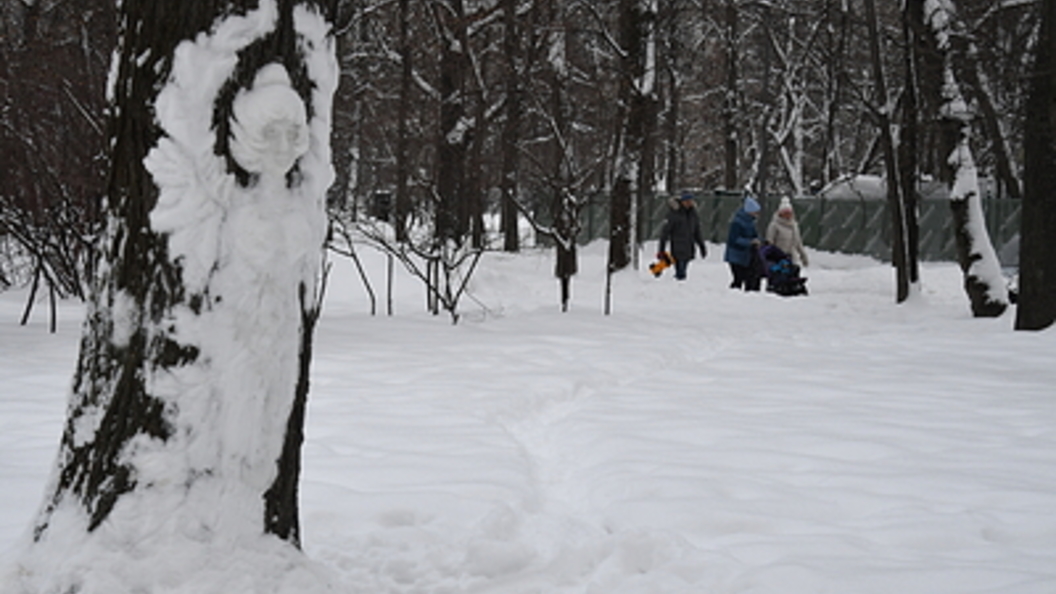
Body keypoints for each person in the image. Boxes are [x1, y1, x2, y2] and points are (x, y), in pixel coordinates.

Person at [657, 192, 708, 280]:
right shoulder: (674, 214)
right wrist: (661, 249)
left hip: (689, 246)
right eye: (687, 201)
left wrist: (702, 246)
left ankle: (659, 269)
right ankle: (675, 281)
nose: (689, 203)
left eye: (690, 201)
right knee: (681, 270)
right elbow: (665, 232)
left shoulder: (693, 214)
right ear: (682, 202)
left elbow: (697, 231)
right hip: (677, 246)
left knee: (683, 267)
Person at [724, 195, 762, 291]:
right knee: (739, 278)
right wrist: (750, 242)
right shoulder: (737, 222)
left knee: (745, 277)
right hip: (736, 255)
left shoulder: (750, 222)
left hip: (745, 255)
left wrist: (759, 240)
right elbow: (734, 239)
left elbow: (755, 235)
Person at [765, 196, 809, 267]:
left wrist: (803, 256)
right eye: (785, 213)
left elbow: (798, 242)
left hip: (792, 258)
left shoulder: (794, 225)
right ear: (780, 213)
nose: (788, 215)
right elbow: (770, 242)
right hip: (778, 259)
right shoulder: (774, 225)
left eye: (789, 213)